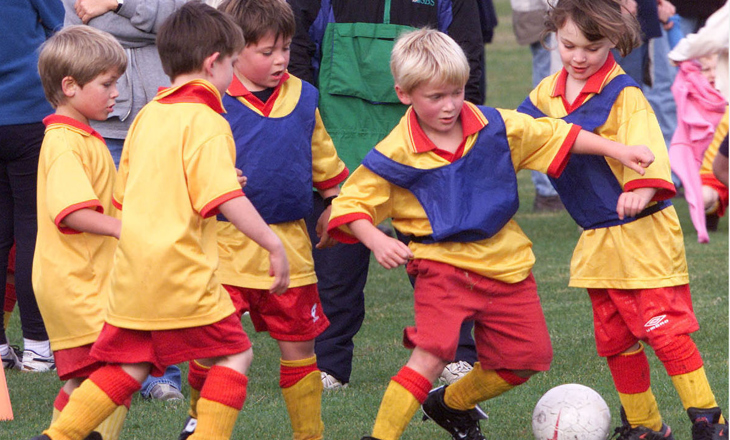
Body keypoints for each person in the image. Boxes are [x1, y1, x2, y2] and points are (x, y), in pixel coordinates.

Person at [326, 28, 654, 440]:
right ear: (404, 93)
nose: (449, 106)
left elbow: (559, 134)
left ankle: (451, 404)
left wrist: (618, 151)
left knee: (527, 360)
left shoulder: (497, 127)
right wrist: (376, 239)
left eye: (456, 92)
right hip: (440, 266)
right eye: (435, 97)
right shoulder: (395, 152)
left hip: (506, 263)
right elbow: (350, 204)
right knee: (431, 355)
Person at [27, 3, 290, 440]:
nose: (233, 77)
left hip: (132, 273)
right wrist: (272, 243)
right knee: (236, 354)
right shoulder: (207, 120)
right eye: (232, 65)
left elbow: (125, 194)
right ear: (214, 63)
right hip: (181, 271)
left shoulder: (148, 114)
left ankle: (58, 436)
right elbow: (226, 198)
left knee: (130, 364)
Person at [517, 0, 728, 438]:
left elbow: (649, 152)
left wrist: (643, 189)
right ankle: (645, 425)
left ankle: (709, 420)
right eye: (568, 44)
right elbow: (518, 136)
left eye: (591, 48)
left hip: (643, 231)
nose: (578, 56)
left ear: (613, 40)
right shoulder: (545, 94)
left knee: (663, 329)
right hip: (597, 237)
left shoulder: (623, 93)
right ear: (554, 33)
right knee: (614, 338)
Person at [288, 0, 485, 390]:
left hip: (423, 151)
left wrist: (458, 146)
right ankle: (328, 364)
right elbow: (297, 56)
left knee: (441, 262)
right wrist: (308, 133)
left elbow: (468, 65)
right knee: (335, 271)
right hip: (339, 147)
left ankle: (459, 355)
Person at [177, 1, 347, 439]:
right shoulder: (210, 101)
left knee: (300, 347)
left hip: (290, 245)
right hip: (224, 246)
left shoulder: (305, 95)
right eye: (267, 51)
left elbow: (323, 157)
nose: (280, 60)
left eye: (286, 49)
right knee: (215, 346)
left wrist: (333, 201)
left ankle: (309, 434)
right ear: (233, 50)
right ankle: (199, 420)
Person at [63, 0, 188, 402]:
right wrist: (150, 24)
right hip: (98, 131)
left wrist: (117, 4)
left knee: (156, 252)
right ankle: (110, 365)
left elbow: (184, 29)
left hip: (160, 122)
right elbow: (75, 44)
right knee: (102, 255)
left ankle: (162, 371)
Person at [33, 25, 129, 439]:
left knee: (87, 381)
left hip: (86, 281)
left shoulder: (83, 137)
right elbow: (72, 213)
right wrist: (128, 231)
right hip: (77, 284)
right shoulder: (64, 143)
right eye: (107, 84)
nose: (116, 93)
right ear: (69, 86)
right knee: (118, 374)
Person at [0, 0, 63, 373]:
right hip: (28, 110)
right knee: (32, 230)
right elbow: (59, 23)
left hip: (22, 112)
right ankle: (38, 345)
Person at [509, 0, 565, 212]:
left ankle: (550, 189)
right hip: (551, 13)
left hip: (551, 12)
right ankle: (547, 191)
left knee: (552, 98)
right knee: (549, 100)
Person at [668, 55, 727, 242]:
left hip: (726, 168)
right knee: (702, 196)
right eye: (706, 69)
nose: (712, 74)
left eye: (716, 69)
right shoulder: (694, 101)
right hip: (707, 176)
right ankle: (709, 216)